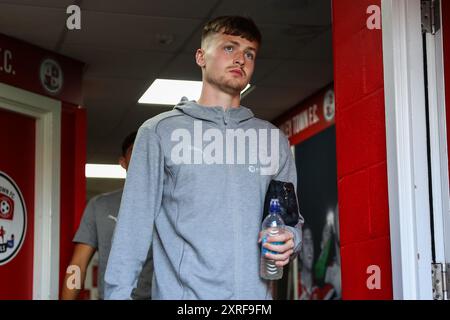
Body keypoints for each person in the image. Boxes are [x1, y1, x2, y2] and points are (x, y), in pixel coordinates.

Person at [104, 16, 304, 300]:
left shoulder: (273, 139)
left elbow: (289, 222)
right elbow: (132, 230)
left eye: (249, 54)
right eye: (229, 48)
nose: (240, 60)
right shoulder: (160, 131)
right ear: (201, 56)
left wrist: (290, 240)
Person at [61, 132, 153, 300]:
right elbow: (78, 265)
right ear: (123, 162)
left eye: (147, 150)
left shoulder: (169, 206)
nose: (141, 154)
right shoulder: (100, 205)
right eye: (135, 150)